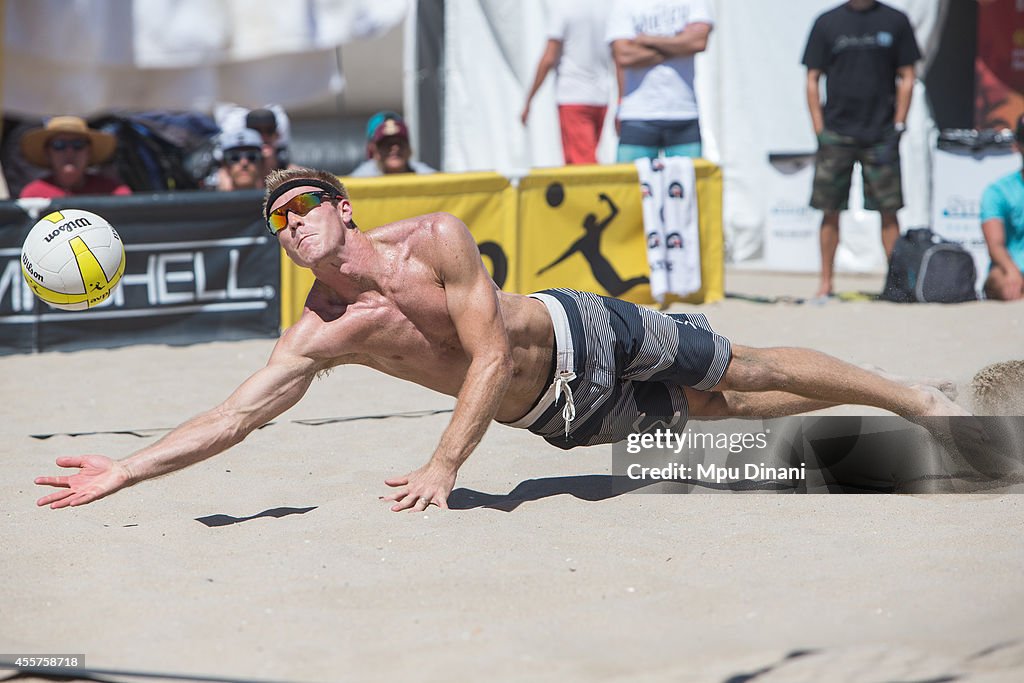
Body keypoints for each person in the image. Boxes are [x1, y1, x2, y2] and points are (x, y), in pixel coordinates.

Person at [34, 167, 968, 514]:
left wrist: (444, 464)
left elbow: (485, 353)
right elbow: (235, 417)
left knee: (743, 366)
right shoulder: (322, 331)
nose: (287, 221)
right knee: (732, 418)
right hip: (558, 417)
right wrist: (128, 467)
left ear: (342, 208)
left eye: (301, 203)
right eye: (273, 218)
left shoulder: (435, 237)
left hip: (583, 328)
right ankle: (884, 396)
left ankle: (922, 403)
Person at [802, 0, 922, 299]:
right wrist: (819, 128)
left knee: (889, 210)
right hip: (837, 132)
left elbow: (907, 76)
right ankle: (826, 283)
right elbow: (812, 78)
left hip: (881, 132)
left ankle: (897, 286)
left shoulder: (895, 20)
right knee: (829, 209)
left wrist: (899, 124)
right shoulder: (827, 22)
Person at [605, 0, 713, 163]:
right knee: (630, 187)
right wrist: (678, 45)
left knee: (688, 185)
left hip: (684, 113)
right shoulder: (624, 4)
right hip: (636, 114)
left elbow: (698, 42)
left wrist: (647, 40)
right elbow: (623, 55)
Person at [520, 0, 614, 165]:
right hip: (601, 97)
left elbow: (548, 58)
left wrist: (529, 99)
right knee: (577, 161)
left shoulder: (564, 7)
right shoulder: (607, 7)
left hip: (573, 96)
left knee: (582, 165)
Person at [18, 116, 132, 199]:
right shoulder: (33, 194)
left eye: (78, 145)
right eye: (59, 145)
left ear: (89, 152)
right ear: (48, 153)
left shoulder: (114, 192)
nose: (69, 152)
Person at [978, 116, 1024, 301]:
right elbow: (995, 245)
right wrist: (1013, 271)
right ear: (1016, 146)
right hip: (1011, 267)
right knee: (1005, 284)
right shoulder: (998, 191)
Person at [348, 112, 436, 177]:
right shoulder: (362, 178)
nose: (395, 148)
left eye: (400, 143)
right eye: (387, 144)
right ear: (376, 151)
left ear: (409, 149)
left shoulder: (424, 175)